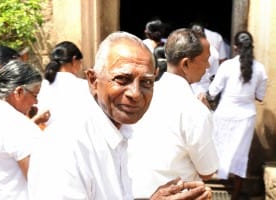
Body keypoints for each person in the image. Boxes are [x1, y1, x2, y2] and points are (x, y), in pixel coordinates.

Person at [28, 31, 212, 200]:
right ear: (93, 80)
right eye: (122, 79)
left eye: (146, 82)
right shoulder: (64, 146)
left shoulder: (121, 133)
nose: (135, 93)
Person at [127, 28, 218, 199]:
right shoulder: (195, 110)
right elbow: (208, 171)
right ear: (186, 64)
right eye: (205, 60)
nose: (207, 66)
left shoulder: (140, 97)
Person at [206, 31, 268, 200]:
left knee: (216, 149)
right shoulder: (261, 69)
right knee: (240, 155)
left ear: (235, 47)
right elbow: (260, 97)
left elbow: (212, 91)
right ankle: (235, 195)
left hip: (224, 114)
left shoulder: (226, 66)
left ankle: (207, 191)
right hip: (246, 116)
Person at [0, 60, 43, 199]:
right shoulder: (20, 126)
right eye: (35, 95)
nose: (36, 102)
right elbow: (39, 183)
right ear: (19, 92)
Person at [37, 41, 89, 127]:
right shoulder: (83, 86)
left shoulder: (43, 85)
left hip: (47, 135)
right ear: (74, 60)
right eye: (80, 62)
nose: (80, 66)